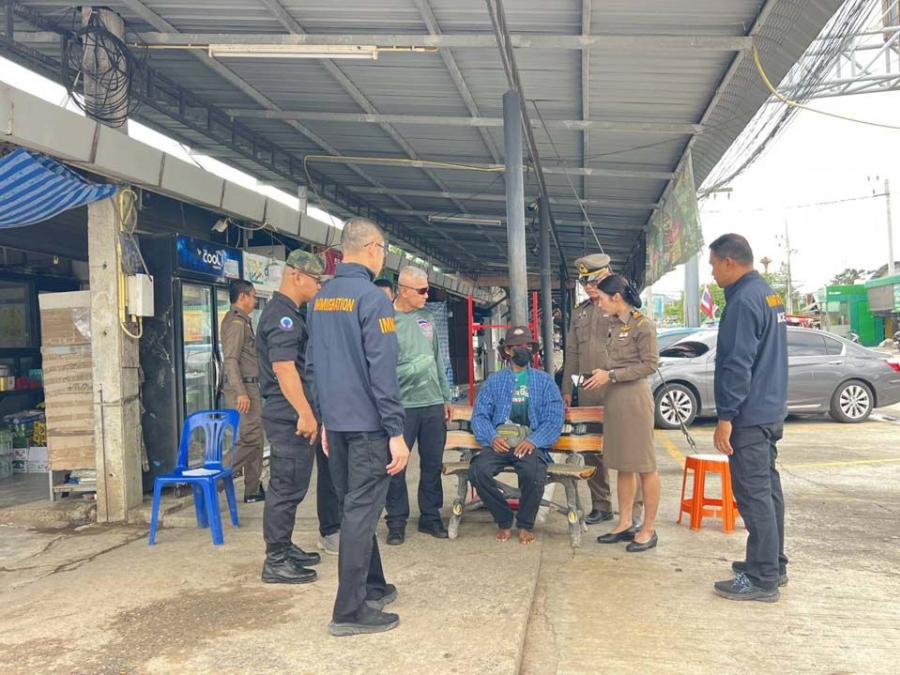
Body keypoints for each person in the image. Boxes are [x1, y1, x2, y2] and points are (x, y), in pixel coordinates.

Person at [307, 217, 410, 637]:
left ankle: (373, 586)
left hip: (338, 426)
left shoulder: (320, 299)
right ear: (372, 248)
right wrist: (396, 431)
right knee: (361, 514)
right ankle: (348, 611)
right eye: (384, 249)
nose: (383, 257)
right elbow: (382, 371)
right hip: (369, 427)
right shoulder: (373, 299)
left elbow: (313, 367)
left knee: (355, 506)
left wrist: (325, 420)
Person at [709, 234, 789, 603]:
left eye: (714, 265)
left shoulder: (743, 301)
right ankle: (771, 562)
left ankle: (762, 578)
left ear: (729, 262)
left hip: (749, 415)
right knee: (768, 491)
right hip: (769, 409)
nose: (713, 273)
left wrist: (726, 416)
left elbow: (737, 364)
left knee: (754, 494)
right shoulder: (768, 294)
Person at [256, 250, 340, 584]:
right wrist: (305, 413)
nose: (319, 286)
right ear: (296, 276)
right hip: (288, 415)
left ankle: (284, 546)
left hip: (290, 413)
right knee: (286, 486)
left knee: (293, 485)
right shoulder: (283, 317)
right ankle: (275, 560)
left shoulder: (290, 313)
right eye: (315, 279)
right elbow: (284, 368)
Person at [561, 254, 643, 526]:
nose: (589, 288)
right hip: (588, 393)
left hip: (620, 391)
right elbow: (572, 353)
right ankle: (601, 504)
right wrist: (566, 390)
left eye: (594, 282)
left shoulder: (623, 308)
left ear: (607, 276)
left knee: (628, 453)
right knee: (591, 451)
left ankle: (634, 512)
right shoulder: (581, 312)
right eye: (585, 283)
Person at [470, 327, 564, 545]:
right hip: (500, 443)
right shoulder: (494, 381)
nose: (524, 349)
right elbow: (480, 416)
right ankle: (503, 520)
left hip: (530, 443)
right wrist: (492, 438)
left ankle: (525, 524)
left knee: (534, 473)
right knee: (477, 471)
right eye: (518, 346)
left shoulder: (544, 381)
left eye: (528, 345)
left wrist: (534, 440)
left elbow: (554, 418)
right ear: (508, 351)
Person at [590, 275, 660, 552]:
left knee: (644, 465)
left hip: (634, 400)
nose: (600, 305)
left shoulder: (643, 326)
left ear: (617, 297)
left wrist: (611, 375)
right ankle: (625, 522)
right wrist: (604, 374)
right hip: (616, 399)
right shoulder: (614, 324)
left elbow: (650, 365)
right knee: (622, 464)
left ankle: (648, 529)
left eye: (602, 299)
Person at [385, 266, 451, 545]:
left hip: (432, 402)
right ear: (403, 290)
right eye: (422, 291)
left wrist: (445, 396)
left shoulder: (428, 318)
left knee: (432, 464)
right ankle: (396, 521)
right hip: (402, 405)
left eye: (428, 290)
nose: (427, 296)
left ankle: (430, 516)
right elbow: (382, 366)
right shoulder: (386, 320)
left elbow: (437, 358)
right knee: (396, 465)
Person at [220, 279, 265, 503]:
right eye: (254, 296)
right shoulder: (237, 323)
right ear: (243, 297)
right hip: (243, 388)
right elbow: (230, 360)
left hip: (251, 386)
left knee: (257, 438)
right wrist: (241, 392)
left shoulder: (243, 321)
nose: (256, 301)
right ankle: (215, 480)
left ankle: (253, 489)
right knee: (250, 438)